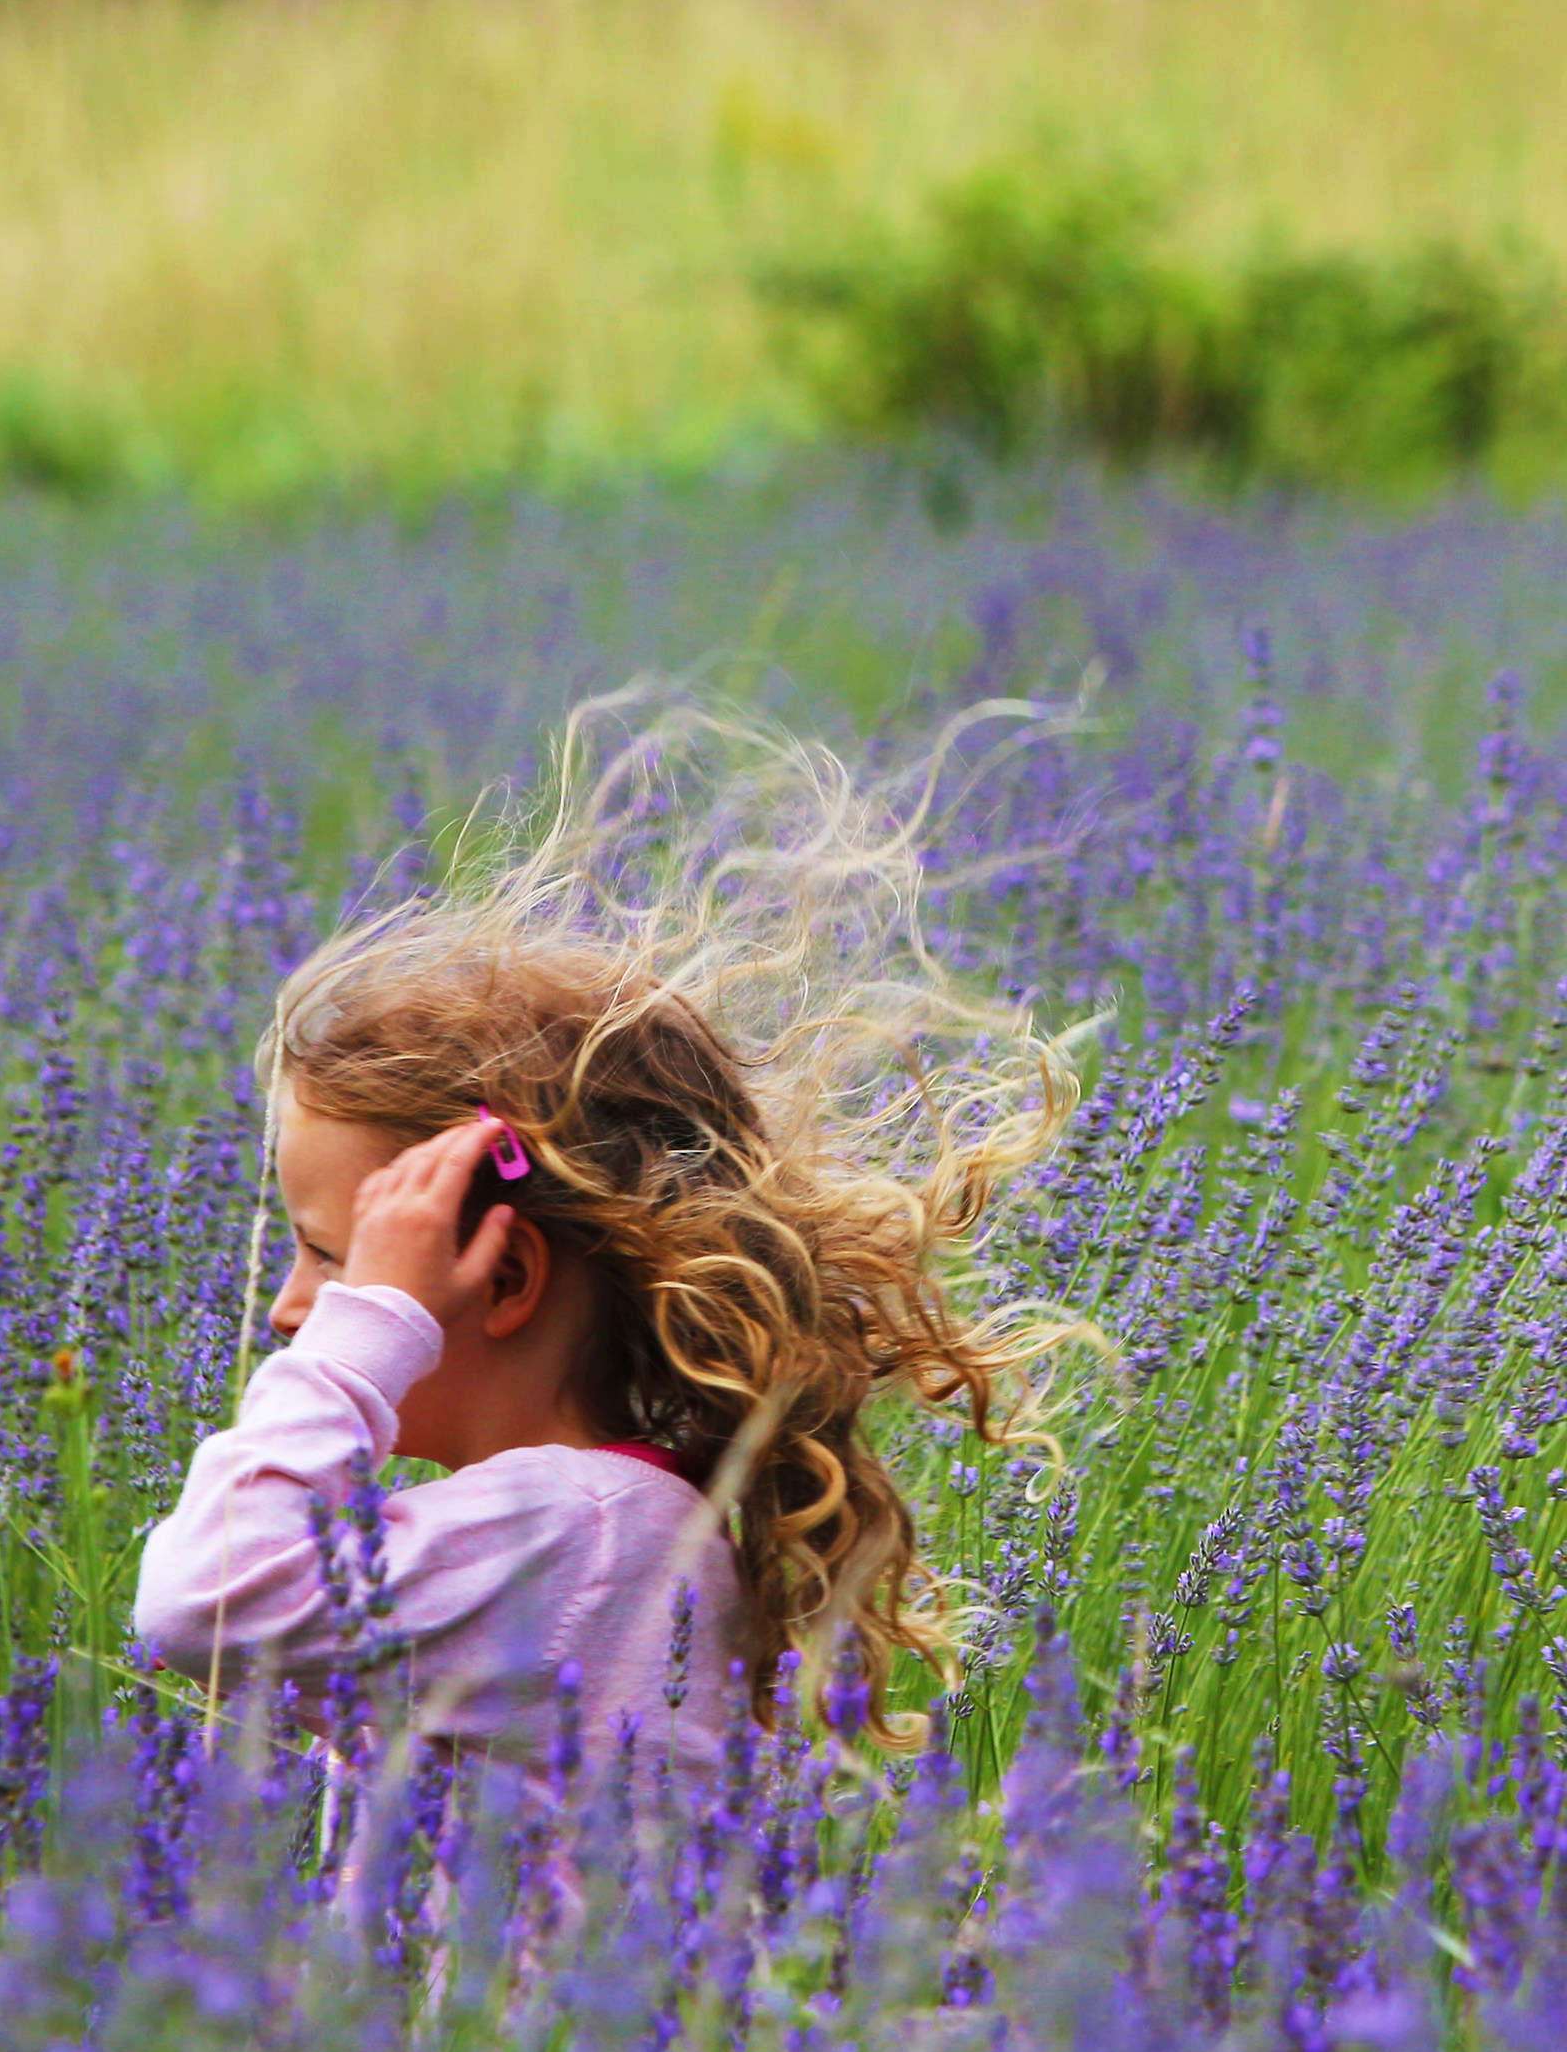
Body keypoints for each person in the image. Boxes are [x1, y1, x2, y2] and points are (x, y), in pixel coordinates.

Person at [132, 705, 1081, 1796]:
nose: (296, 1307)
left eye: (340, 1258)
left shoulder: (566, 1535)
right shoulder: (605, 1518)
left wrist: (357, 1348)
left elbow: (202, 1600)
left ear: (505, 1274)